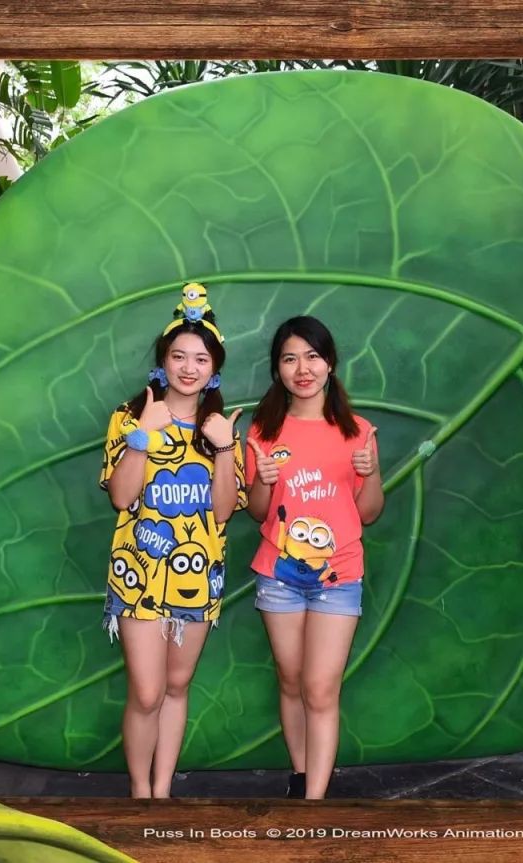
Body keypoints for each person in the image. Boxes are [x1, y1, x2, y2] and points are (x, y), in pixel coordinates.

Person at [98, 283, 245, 799]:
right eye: (179, 356)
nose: (189, 367)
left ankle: (162, 794)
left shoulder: (220, 427)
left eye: (201, 359)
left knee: (177, 687)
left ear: (214, 369)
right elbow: (121, 497)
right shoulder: (129, 417)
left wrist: (223, 448)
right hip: (138, 573)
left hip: (199, 576)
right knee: (147, 692)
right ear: (162, 361)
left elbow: (223, 511)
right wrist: (142, 436)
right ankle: (140, 795)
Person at [245, 316, 384, 800]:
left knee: (321, 688)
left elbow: (369, 513)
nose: (302, 369)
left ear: (330, 363)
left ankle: (315, 803)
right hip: (279, 576)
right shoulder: (263, 432)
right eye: (290, 359)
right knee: (291, 681)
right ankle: (301, 776)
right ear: (277, 369)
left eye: (312, 356)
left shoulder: (359, 432)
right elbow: (257, 512)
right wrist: (263, 480)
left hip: (339, 576)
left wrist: (372, 472)